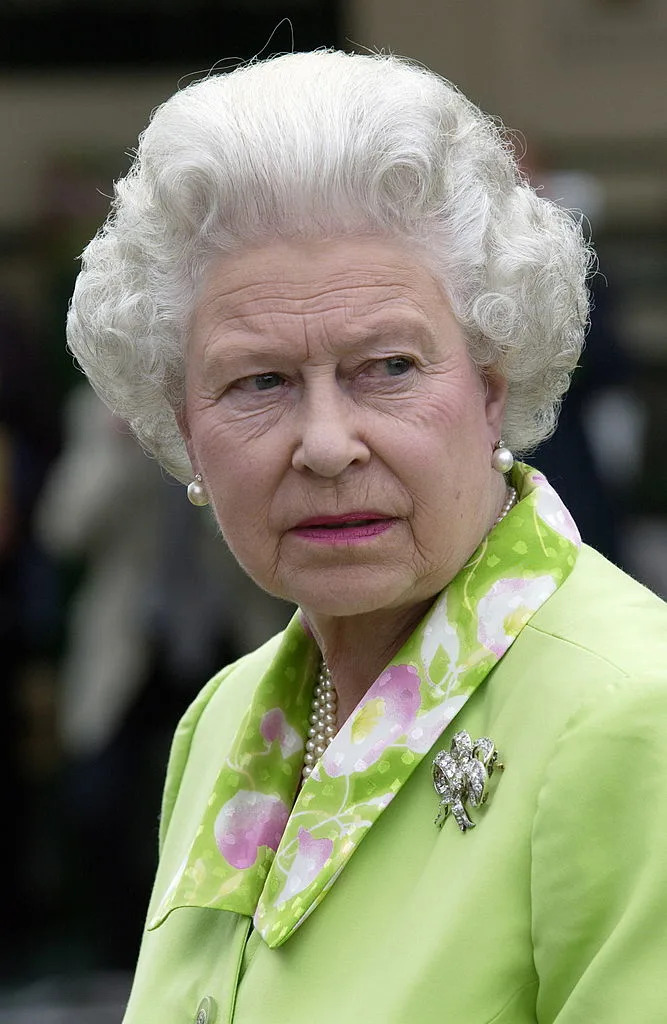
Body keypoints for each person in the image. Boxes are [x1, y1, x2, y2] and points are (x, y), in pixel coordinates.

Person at [66, 50, 667, 1024]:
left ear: (489, 384)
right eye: (257, 381)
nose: (326, 444)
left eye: (386, 366)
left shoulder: (635, 721)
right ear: (179, 423)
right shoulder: (222, 716)